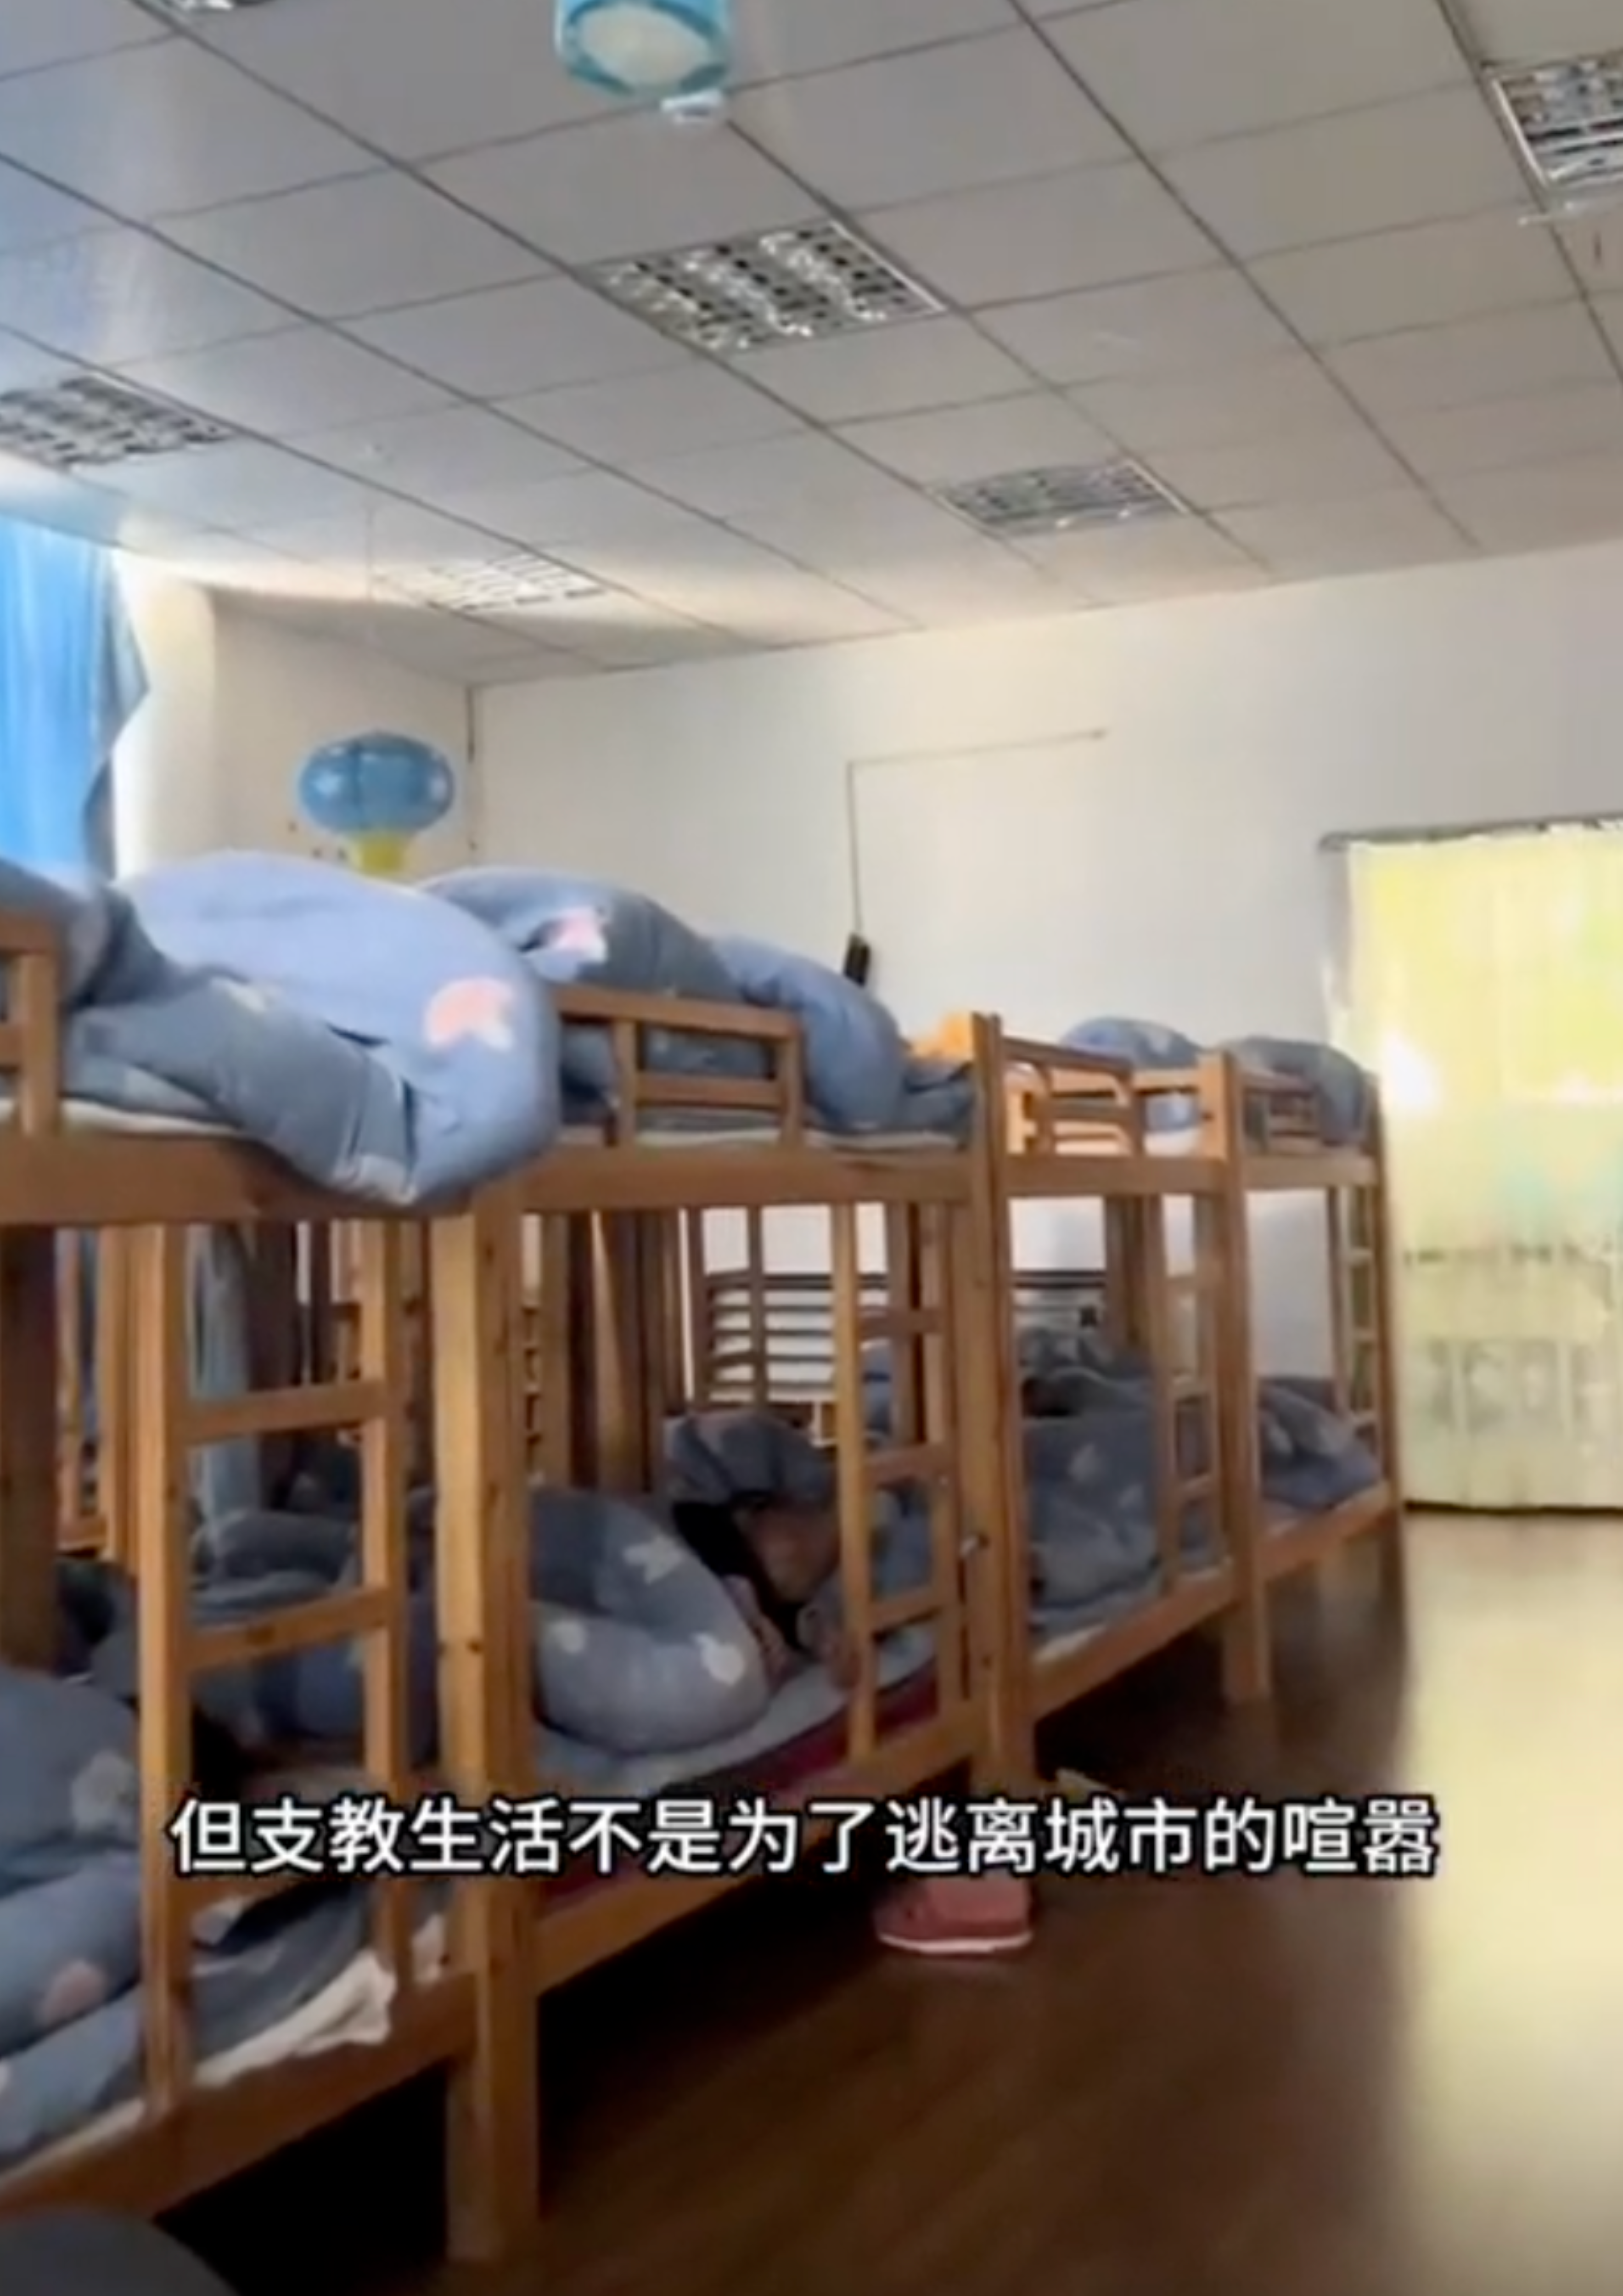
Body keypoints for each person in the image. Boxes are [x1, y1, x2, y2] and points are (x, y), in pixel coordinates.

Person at [674, 1492, 1036, 1960]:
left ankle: (977, 1886)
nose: (791, 1561)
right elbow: (695, 1519)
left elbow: (805, 1612)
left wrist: (820, 1632)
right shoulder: (708, 1540)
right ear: (748, 1520)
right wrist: (751, 1604)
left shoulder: (805, 1589)